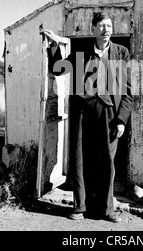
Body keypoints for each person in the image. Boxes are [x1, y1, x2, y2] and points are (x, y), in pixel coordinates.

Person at [43, 12, 133, 223]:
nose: (106, 30)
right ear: (93, 29)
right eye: (101, 26)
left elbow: (129, 90)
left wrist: (121, 120)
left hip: (109, 114)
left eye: (109, 26)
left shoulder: (121, 53)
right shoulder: (81, 53)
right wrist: (54, 43)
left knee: (107, 162)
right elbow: (57, 69)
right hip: (83, 113)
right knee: (81, 159)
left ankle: (107, 209)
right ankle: (80, 207)